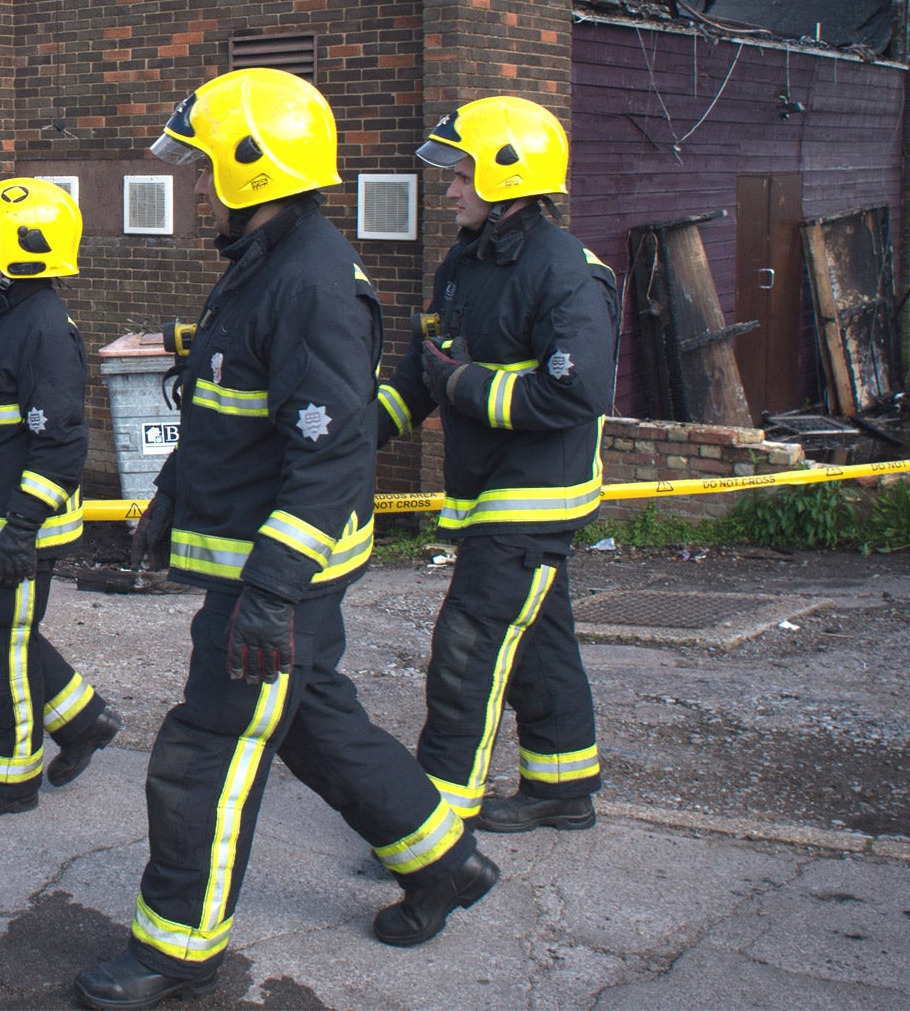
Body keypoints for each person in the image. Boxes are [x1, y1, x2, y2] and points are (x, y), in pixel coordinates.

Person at [75, 69, 497, 1011]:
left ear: (250, 170)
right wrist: (170, 505)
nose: (191, 186)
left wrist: (270, 590)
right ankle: (445, 864)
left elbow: (331, 458)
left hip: (276, 586)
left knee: (204, 754)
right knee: (317, 726)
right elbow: (231, 417)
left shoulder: (309, 282)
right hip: (268, 576)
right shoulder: (265, 264)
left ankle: (178, 952)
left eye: (202, 168)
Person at [374, 96, 617, 835]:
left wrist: (465, 387)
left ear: (510, 176)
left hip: (535, 496)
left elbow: (574, 390)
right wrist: (357, 434)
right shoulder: (463, 264)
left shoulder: (568, 272)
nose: (448, 188)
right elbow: (427, 364)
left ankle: (434, 824)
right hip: (492, 491)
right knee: (540, 638)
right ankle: (562, 784)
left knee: (468, 647)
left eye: (463, 175)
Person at [0, 179, 121, 822]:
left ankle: (11, 778)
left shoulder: (42, 328)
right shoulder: (13, 315)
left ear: (26, 245)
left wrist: (20, 527)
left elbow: (60, 445)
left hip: (12, 532)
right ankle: (84, 721)